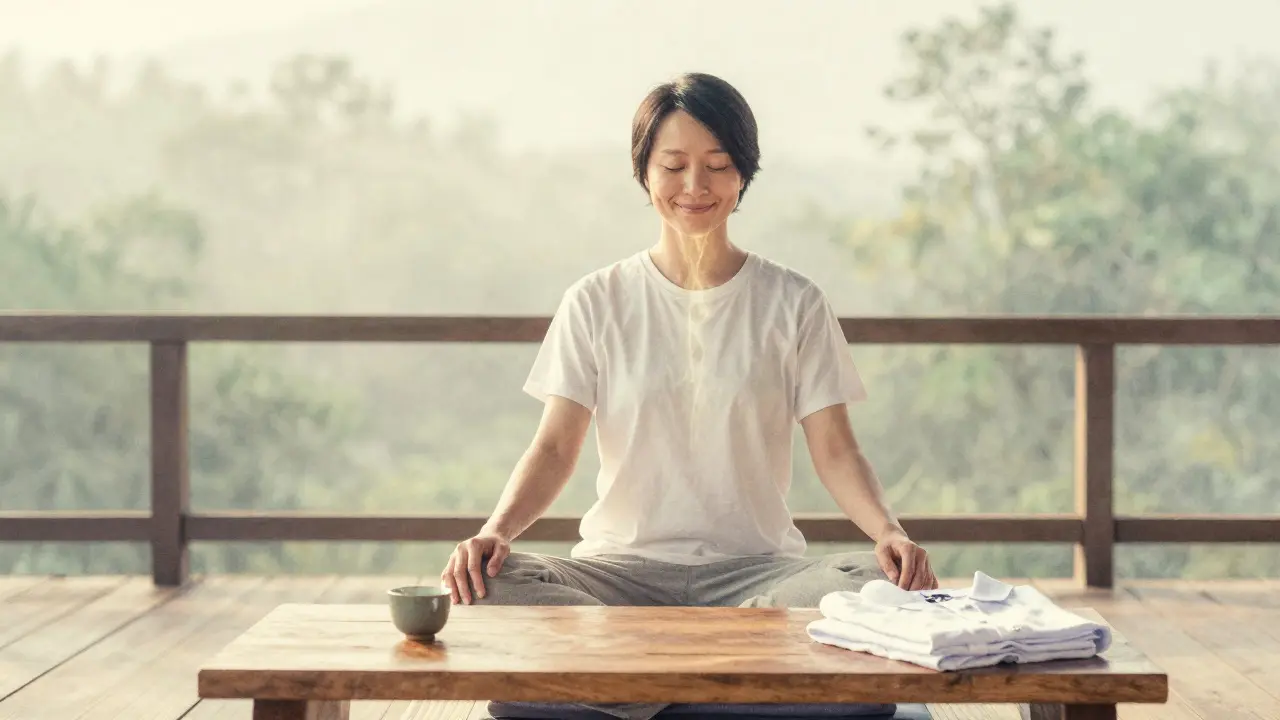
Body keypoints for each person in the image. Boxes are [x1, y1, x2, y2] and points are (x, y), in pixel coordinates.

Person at [441, 72, 937, 613]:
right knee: (491, 579)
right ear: (644, 173)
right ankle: (739, 671)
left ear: (744, 173)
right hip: (617, 575)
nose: (696, 186)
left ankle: (627, 674)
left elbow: (836, 449)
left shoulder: (795, 302)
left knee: (874, 580)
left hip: (759, 574)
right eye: (674, 166)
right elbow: (556, 448)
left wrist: (888, 532)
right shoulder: (595, 300)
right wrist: (496, 531)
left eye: (719, 165)